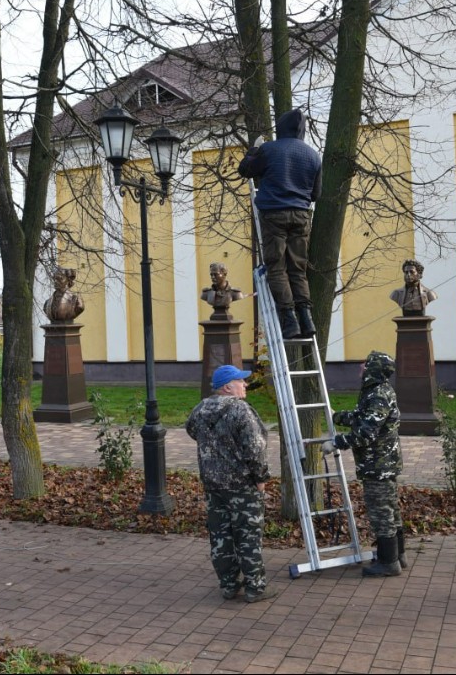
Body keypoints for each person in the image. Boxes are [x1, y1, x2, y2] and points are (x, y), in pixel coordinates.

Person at [186, 364, 274, 602]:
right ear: (227, 387)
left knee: (221, 537)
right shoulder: (241, 411)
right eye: (240, 381)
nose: (245, 385)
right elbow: (256, 449)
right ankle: (255, 587)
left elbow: (192, 430)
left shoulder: (200, 409)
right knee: (248, 536)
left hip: (214, 485)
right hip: (241, 486)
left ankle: (228, 585)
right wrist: (261, 479)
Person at [238, 108, 322, 340]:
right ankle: (306, 317)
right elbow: (316, 194)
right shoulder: (313, 155)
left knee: (276, 266)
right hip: (301, 215)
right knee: (297, 267)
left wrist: (253, 151)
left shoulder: (269, 149)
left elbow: (244, 170)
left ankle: (289, 320)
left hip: (273, 214)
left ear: (281, 127)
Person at [322, 351, 405, 577]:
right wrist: (337, 416)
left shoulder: (378, 394)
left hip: (378, 465)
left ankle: (389, 563)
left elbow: (366, 433)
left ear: (373, 369)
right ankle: (398, 556)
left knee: (381, 513)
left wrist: (337, 442)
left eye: (365, 364)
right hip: (382, 463)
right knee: (390, 510)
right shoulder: (376, 391)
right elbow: (363, 417)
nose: (361, 366)